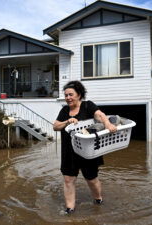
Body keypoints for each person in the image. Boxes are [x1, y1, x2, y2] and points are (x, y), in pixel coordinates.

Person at [53, 80, 117, 214]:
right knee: (68, 179)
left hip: (88, 151)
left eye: (71, 94)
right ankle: (70, 209)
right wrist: (67, 121)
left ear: (79, 95)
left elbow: (100, 115)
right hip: (69, 152)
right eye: (66, 95)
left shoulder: (88, 106)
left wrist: (107, 124)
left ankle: (98, 199)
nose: (68, 98)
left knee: (91, 179)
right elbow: (55, 126)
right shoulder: (64, 110)